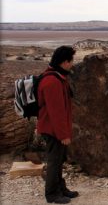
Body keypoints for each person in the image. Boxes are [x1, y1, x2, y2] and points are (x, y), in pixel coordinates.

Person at [37, 46, 78, 204]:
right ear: (64, 62)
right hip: (51, 129)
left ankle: (61, 189)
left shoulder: (59, 77)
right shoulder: (51, 82)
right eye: (71, 61)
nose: (72, 64)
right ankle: (52, 194)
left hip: (56, 128)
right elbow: (56, 113)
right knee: (54, 162)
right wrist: (63, 135)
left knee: (59, 160)